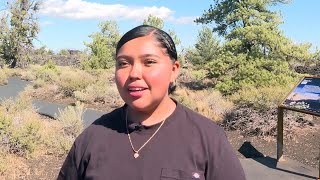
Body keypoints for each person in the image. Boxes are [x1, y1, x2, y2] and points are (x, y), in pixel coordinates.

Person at [58, 25, 246, 180]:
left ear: (174, 70)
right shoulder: (93, 137)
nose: (133, 73)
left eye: (148, 62)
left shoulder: (208, 138)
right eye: (123, 63)